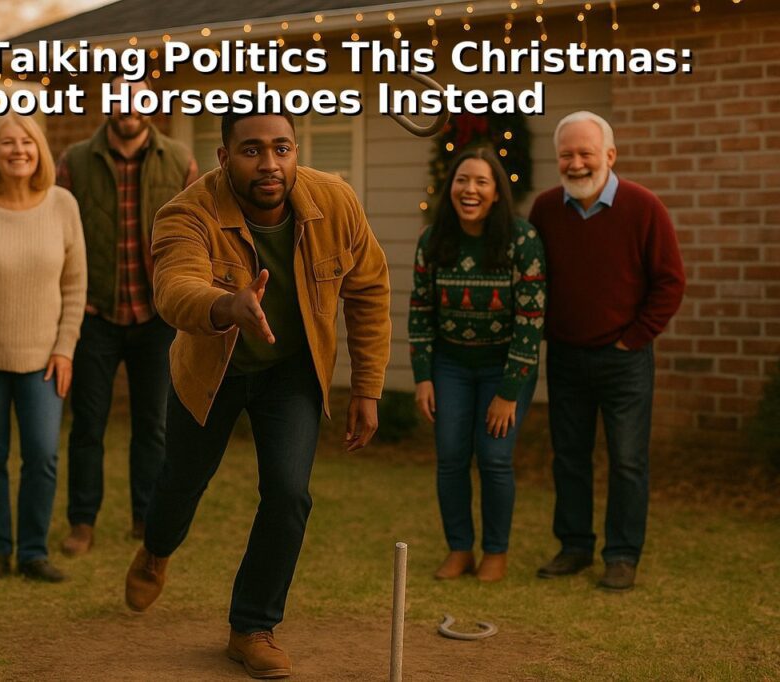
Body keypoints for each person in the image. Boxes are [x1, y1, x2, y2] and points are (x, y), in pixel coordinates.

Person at [123, 111, 391, 678]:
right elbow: (174, 290)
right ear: (224, 158)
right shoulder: (186, 213)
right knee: (180, 483)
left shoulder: (334, 202)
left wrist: (367, 388)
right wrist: (226, 306)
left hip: (290, 371)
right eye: (251, 150)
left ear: (296, 151)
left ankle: (252, 626)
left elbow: (368, 289)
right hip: (210, 372)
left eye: (282, 148)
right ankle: (156, 550)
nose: (269, 163)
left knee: (290, 495)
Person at [529, 111, 685, 591]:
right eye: (567, 155)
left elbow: (670, 283)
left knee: (628, 460)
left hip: (625, 359)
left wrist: (632, 338)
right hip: (567, 357)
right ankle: (575, 546)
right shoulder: (546, 209)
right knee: (569, 457)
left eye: (586, 153)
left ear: (610, 156)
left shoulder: (644, 207)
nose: (576, 163)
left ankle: (621, 555)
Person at [55, 73, 198, 554]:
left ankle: (145, 518)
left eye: (138, 96)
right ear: (107, 105)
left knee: (152, 425)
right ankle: (82, 523)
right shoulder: (74, 161)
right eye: (119, 96)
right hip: (95, 314)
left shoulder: (179, 160)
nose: (128, 105)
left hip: (156, 317)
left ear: (151, 103)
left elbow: (197, 231)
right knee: (88, 425)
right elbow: (59, 234)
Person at [409, 147, 546, 583]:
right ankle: (459, 549)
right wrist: (423, 377)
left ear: (496, 192)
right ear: (450, 188)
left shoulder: (521, 240)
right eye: (462, 180)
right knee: (450, 457)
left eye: (481, 182)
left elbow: (531, 319)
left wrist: (508, 392)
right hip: (450, 364)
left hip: (504, 366)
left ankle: (496, 552)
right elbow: (420, 311)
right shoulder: (433, 241)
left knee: (494, 458)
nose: (470, 190)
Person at [0, 114, 87, 583]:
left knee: (42, 455)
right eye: (7, 143)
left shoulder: (62, 205)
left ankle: (33, 551)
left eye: (27, 142)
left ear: (40, 150)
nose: (18, 150)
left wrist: (65, 349)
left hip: (44, 362)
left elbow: (75, 285)